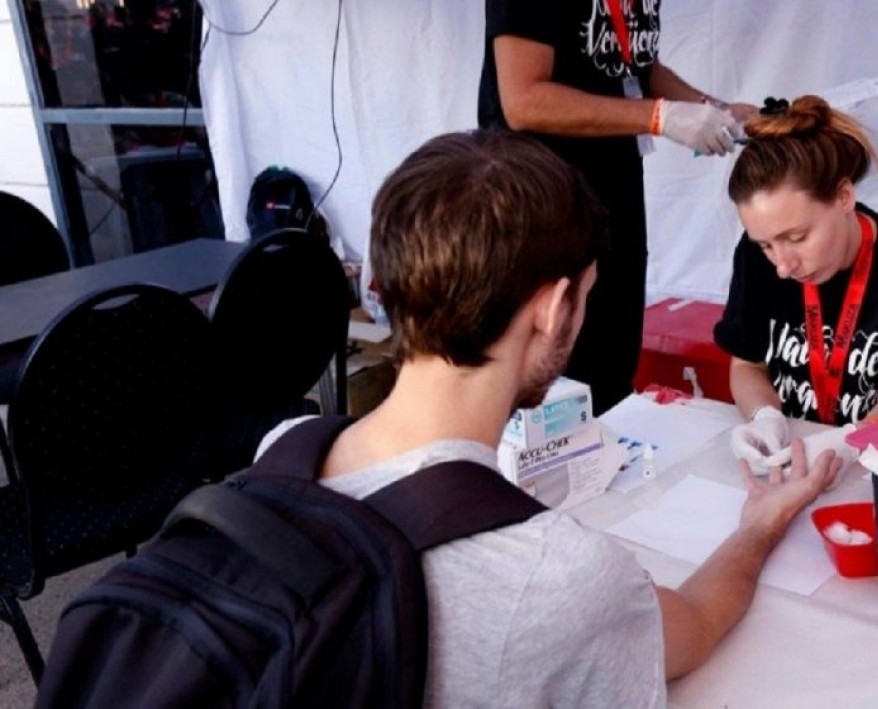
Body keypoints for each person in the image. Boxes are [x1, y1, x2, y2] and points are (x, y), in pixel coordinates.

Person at [262, 130, 842, 707]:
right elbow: (692, 627)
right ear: (551, 308)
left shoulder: (283, 450)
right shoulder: (559, 580)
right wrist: (759, 527)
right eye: (587, 296)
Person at [479, 0, 757, 415]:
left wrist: (712, 110)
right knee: (553, 374)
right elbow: (523, 101)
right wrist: (660, 117)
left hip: (614, 188)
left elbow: (632, 66)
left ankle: (607, 465)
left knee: (613, 358)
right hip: (541, 199)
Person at [714, 95, 878, 471]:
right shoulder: (755, 258)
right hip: (788, 457)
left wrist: (850, 442)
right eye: (766, 244)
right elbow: (747, 365)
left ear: (844, 197)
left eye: (797, 238)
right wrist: (765, 416)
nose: (782, 266)